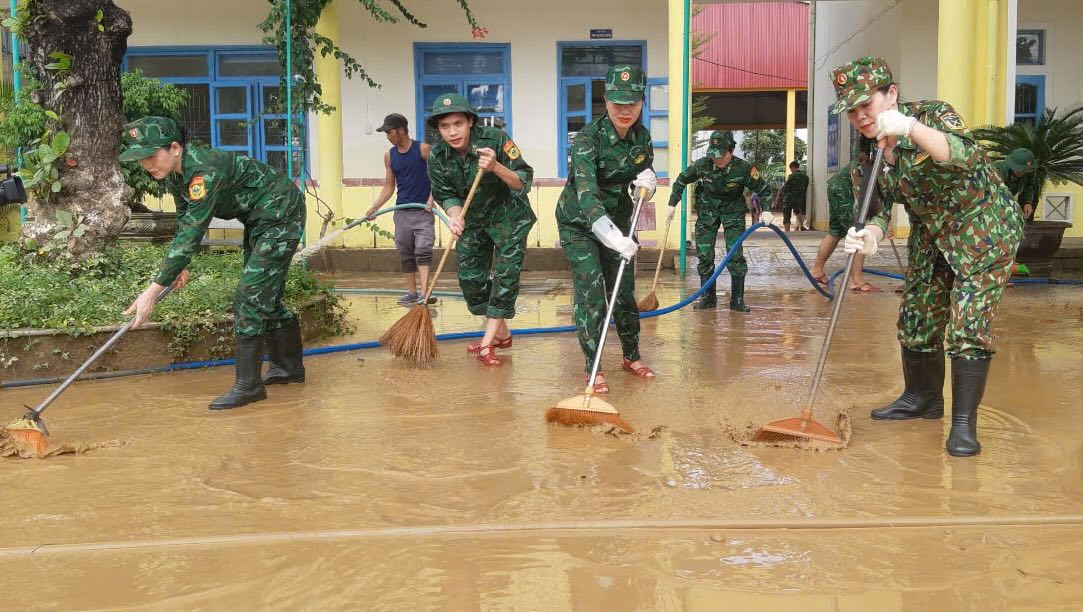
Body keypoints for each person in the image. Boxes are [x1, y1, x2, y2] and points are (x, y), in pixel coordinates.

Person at [832, 56, 1023, 457]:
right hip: (932, 233)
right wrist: (871, 234)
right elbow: (880, 208)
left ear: (892, 95)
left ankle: (964, 425)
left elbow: (964, 155)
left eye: (867, 105)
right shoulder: (867, 158)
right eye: (852, 111)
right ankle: (922, 399)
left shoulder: (933, 115)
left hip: (984, 228)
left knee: (968, 323)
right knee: (917, 316)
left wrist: (911, 129)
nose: (861, 117)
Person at [120, 116, 307, 410]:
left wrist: (151, 293)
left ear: (174, 147)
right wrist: (178, 267)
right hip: (260, 220)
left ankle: (249, 386)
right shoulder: (176, 174)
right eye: (141, 159)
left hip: (281, 214)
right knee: (262, 294)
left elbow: (192, 230)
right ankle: (288, 368)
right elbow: (186, 223)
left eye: (151, 155)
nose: (147, 165)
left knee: (250, 296)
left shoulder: (203, 172)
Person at [556, 64, 658, 392]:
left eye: (632, 102)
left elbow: (638, 186)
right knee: (592, 295)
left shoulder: (643, 139)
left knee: (624, 293)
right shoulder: (588, 139)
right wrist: (613, 238)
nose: (624, 110)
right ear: (606, 100)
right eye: (617, 103)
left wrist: (646, 185)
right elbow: (587, 197)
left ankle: (631, 356)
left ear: (641, 100)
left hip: (620, 223)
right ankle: (593, 366)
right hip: (579, 225)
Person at [426, 93, 536, 366]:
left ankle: (487, 344)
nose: (452, 132)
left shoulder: (496, 141)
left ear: (470, 122)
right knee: (471, 281)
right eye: (444, 126)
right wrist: (453, 216)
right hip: (471, 219)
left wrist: (496, 166)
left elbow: (523, 181)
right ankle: (501, 334)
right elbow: (445, 192)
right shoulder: (438, 155)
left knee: (504, 278)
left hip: (508, 217)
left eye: (458, 124)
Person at [668, 130, 767, 311]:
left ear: (731, 151)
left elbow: (764, 189)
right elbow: (681, 180)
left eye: (721, 155)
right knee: (704, 254)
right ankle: (708, 298)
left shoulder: (743, 169)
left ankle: (737, 300)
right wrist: (672, 204)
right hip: (708, 209)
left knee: (734, 254)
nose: (717, 160)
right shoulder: (702, 165)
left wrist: (766, 211)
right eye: (714, 155)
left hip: (733, 211)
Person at [364, 113, 437, 306]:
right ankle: (412, 292)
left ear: (402, 130)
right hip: (402, 212)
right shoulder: (390, 156)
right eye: (386, 133)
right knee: (405, 251)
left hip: (423, 211)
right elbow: (389, 186)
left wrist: (432, 198)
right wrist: (375, 207)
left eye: (390, 132)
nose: (388, 136)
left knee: (423, 249)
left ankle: (425, 293)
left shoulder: (423, 149)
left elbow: (439, 177)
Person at [808, 143, 890, 293]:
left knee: (836, 230)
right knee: (859, 231)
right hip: (845, 190)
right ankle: (857, 280)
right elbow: (864, 197)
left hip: (837, 187)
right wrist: (876, 224)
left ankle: (817, 270)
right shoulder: (872, 162)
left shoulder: (878, 158)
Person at [996, 147, 1039, 221]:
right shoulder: (997, 170)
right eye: (1019, 170)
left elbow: (1030, 186)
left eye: (1024, 170)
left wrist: (1028, 202)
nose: (1022, 173)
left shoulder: (1030, 170)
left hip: (1014, 193)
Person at [781, 160, 810, 231]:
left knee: (786, 215)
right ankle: (801, 225)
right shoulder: (806, 177)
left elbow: (785, 187)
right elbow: (805, 188)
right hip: (799, 198)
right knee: (798, 211)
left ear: (793, 167)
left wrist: (784, 196)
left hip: (788, 198)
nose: (791, 171)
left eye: (791, 169)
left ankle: (787, 232)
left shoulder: (791, 176)